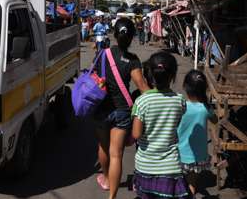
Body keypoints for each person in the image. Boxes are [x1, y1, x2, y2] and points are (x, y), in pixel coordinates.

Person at [93, 18, 151, 199]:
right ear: (133, 36)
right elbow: (142, 87)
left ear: (114, 34)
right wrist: (161, 96)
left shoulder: (101, 55)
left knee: (103, 146)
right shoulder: (132, 59)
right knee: (116, 155)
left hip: (101, 108)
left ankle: (107, 179)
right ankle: (112, 197)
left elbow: (91, 78)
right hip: (122, 110)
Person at [131, 52, 193, 199]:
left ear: (150, 73)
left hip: (145, 165)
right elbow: (174, 125)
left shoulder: (141, 102)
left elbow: (136, 135)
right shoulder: (180, 100)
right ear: (173, 76)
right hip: (171, 166)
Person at [177, 70, 218, 196]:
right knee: (191, 185)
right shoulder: (206, 108)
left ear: (184, 87)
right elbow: (215, 120)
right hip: (197, 155)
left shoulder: (180, 105)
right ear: (204, 89)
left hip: (178, 153)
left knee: (176, 183)